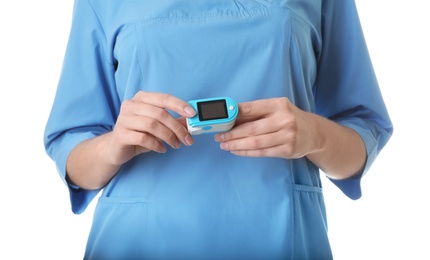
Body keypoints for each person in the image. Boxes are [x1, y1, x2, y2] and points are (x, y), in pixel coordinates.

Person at [44, 0, 393, 259]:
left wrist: (315, 135)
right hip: (138, 241)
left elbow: (363, 133)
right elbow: (71, 154)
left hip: (278, 239)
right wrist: (112, 146)